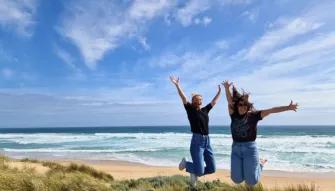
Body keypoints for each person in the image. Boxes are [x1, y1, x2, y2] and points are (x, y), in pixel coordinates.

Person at [222, 80, 298, 186]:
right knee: (236, 180)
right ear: (237, 105)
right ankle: (247, 170)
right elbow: (230, 101)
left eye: (245, 105)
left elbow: (271, 110)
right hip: (236, 149)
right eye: (240, 104)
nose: (243, 107)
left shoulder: (254, 115)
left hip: (250, 149)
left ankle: (260, 165)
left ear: (248, 106)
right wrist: (226, 88)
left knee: (251, 182)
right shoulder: (233, 114)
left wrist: (287, 108)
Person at [170, 76, 221, 186]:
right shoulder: (190, 109)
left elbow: (214, 102)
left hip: (207, 141)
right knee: (200, 171)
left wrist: (220, 91)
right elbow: (183, 97)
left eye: (201, 100)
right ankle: (187, 164)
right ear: (193, 101)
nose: (200, 101)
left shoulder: (205, 110)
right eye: (197, 99)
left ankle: (194, 171)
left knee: (212, 169)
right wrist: (177, 85)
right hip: (197, 142)